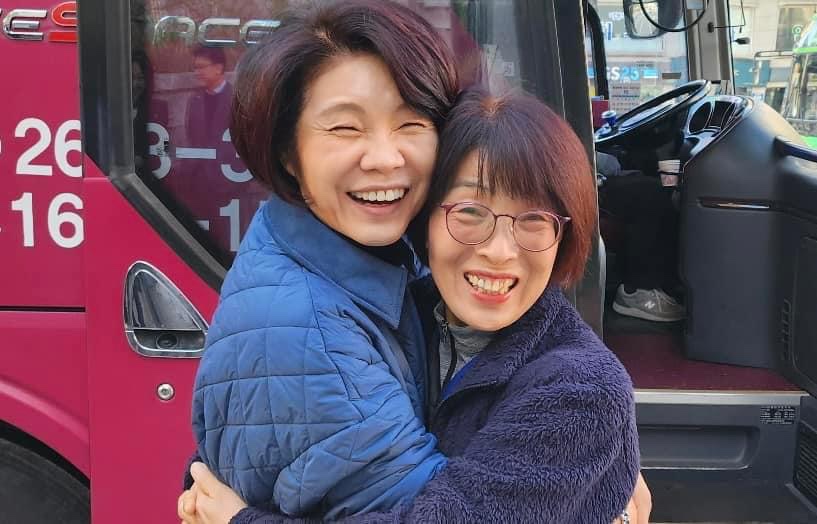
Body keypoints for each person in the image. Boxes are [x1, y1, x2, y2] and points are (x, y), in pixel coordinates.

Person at [181, 87, 643, 523]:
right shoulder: (401, 310)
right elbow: (271, 431)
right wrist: (205, 489)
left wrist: (240, 519)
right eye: (469, 212)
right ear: (424, 217)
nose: (500, 251)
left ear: (563, 237)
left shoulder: (580, 389)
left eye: (534, 220)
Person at [188, 0, 458, 520]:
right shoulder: (310, 330)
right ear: (288, 154)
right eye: (345, 129)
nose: (385, 158)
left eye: (412, 123)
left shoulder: (369, 248)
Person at [597, 151, 684, 322]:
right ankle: (638, 289)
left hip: (588, 177)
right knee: (651, 194)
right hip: (578, 184)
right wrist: (610, 163)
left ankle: (654, 281)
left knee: (647, 179)